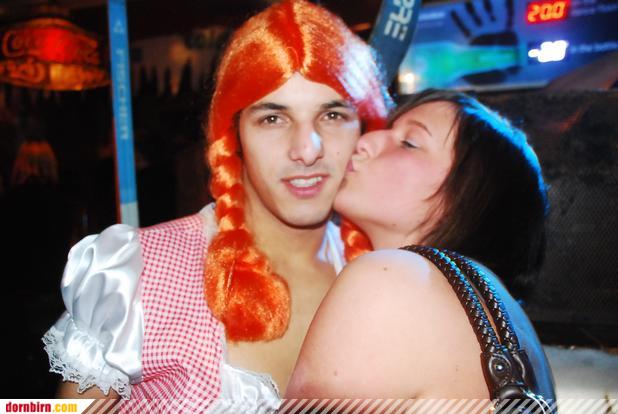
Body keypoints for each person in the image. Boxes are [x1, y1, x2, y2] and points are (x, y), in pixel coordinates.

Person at [42, 0, 390, 411]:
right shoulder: (139, 274)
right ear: (234, 135)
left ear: (365, 129)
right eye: (273, 119)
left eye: (332, 115)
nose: (307, 149)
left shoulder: (384, 276)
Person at [285, 89, 556, 404]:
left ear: (468, 195)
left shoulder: (389, 280)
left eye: (409, 142)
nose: (365, 142)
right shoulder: (522, 335)